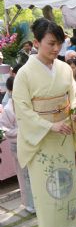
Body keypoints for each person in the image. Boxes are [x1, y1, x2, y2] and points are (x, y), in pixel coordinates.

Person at [13, 18, 76, 227]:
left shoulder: (63, 68)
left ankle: (67, 224)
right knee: (47, 185)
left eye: (59, 44)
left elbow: (74, 94)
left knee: (66, 181)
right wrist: (49, 126)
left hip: (63, 132)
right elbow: (21, 108)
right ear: (36, 42)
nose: (56, 49)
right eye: (51, 43)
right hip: (42, 137)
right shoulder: (24, 74)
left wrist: (73, 112)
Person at [0, 76, 35, 214]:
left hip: (31, 143)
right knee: (23, 175)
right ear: (10, 90)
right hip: (18, 145)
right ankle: (28, 203)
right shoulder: (8, 108)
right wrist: (21, 132)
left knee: (33, 174)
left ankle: (38, 201)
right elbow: (5, 129)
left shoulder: (27, 102)